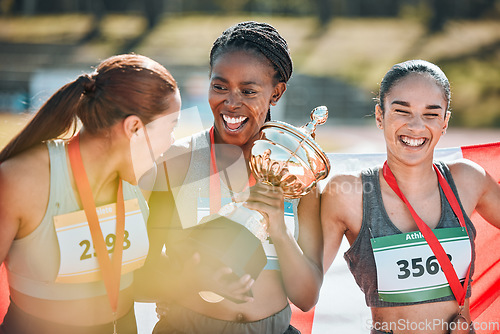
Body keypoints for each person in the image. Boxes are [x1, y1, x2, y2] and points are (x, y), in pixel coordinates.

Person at [138, 21, 323, 334]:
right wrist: (191, 280)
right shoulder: (177, 162)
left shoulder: (297, 172)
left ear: (276, 93)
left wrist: (278, 229)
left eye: (248, 91)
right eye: (219, 87)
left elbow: (306, 297)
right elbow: (139, 277)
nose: (231, 103)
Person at [0, 54, 181, 334]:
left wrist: (197, 277)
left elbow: (129, 273)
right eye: (171, 128)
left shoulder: (145, 177)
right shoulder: (21, 182)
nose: (170, 143)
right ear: (134, 128)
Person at [321, 59, 500, 334]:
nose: (416, 126)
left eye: (431, 114)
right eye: (402, 111)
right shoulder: (348, 193)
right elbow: (301, 286)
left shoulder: (468, 180)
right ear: (380, 116)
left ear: (445, 121)